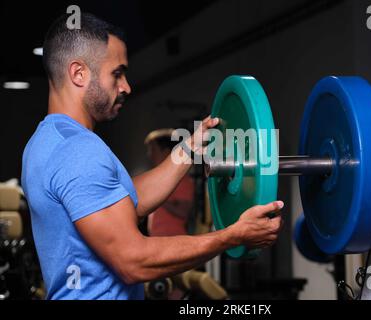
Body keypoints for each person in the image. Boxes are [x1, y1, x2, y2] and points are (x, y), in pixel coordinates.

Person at [21, 13, 284, 300]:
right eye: (117, 73)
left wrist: (187, 151)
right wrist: (232, 236)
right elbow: (133, 260)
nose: (126, 87)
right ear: (78, 73)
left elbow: (125, 202)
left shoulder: (47, 141)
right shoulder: (78, 150)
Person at [144, 129, 194, 238]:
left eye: (153, 150)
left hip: (173, 241)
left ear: (166, 152)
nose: (149, 155)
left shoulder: (181, 178)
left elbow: (183, 210)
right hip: (159, 241)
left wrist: (157, 198)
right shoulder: (157, 179)